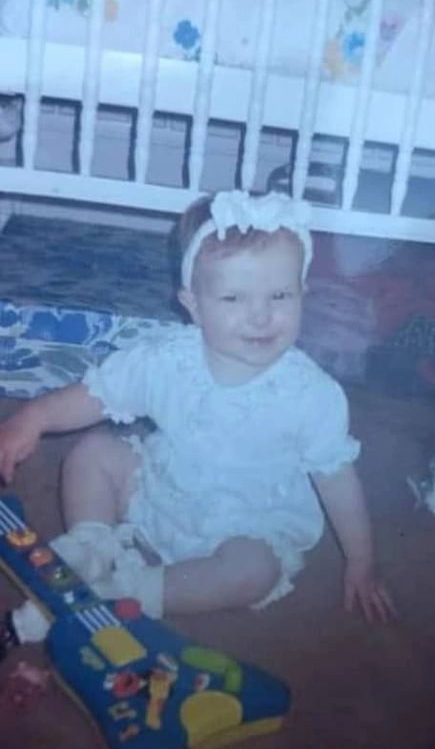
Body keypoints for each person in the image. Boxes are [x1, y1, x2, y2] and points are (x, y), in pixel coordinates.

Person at [0, 190, 396, 658]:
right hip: (162, 491)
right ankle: (92, 542)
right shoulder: (167, 359)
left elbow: (338, 481)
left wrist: (362, 562)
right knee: (93, 451)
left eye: (280, 295)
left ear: (302, 294)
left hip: (249, 522)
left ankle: (131, 590)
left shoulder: (313, 395)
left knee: (255, 571)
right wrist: (36, 415)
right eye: (233, 297)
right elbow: (97, 394)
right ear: (193, 303)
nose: (261, 315)